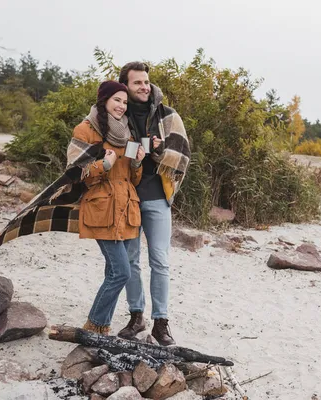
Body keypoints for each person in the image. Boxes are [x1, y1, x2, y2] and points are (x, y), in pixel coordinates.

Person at [115, 62, 190, 345]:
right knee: (131, 261)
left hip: (158, 197)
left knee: (160, 261)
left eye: (146, 82)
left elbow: (181, 154)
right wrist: (142, 148)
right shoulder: (116, 114)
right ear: (126, 85)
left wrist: (156, 151)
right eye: (138, 83)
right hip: (128, 198)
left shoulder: (167, 115)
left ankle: (161, 322)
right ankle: (137, 316)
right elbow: (110, 150)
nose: (144, 87)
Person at [75, 80, 146, 335]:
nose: (121, 106)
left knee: (113, 271)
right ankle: (93, 324)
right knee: (121, 273)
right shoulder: (86, 130)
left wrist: (137, 164)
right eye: (117, 100)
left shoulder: (127, 134)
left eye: (125, 102)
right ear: (104, 100)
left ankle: (102, 327)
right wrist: (101, 166)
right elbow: (74, 174)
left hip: (127, 210)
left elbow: (132, 179)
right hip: (102, 210)